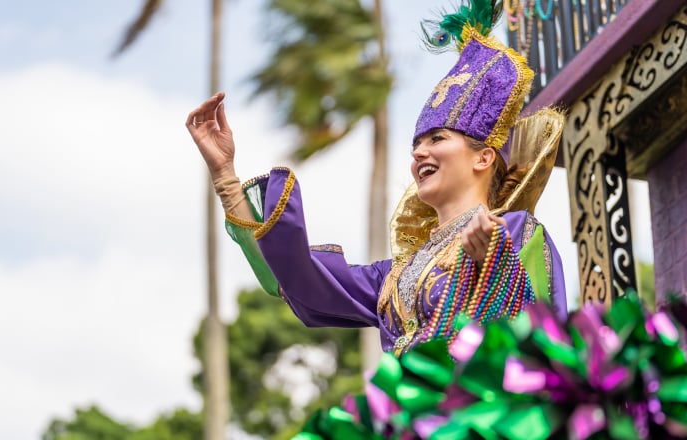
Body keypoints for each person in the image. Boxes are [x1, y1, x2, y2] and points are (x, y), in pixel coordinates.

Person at [186, 1, 567, 356]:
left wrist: (496, 264)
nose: (419, 153)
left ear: (483, 157)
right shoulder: (395, 276)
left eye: (437, 139)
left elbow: (545, 344)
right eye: (416, 145)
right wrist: (226, 180)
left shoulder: (516, 231)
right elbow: (295, 278)